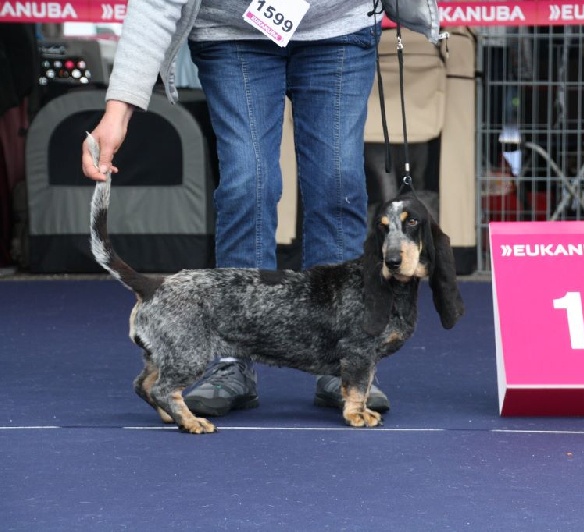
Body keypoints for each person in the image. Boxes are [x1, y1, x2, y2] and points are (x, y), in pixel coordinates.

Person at [81, 0, 390, 417]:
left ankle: (345, 363)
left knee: (339, 184)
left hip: (337, 27)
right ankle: (231, 363)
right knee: (247, 184)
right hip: (232, 32)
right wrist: (117, 112)